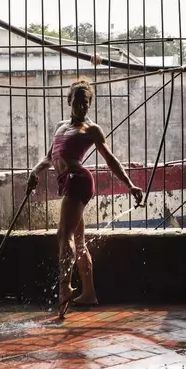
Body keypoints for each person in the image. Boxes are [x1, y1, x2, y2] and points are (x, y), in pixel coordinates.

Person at [27, 80, 144, 319]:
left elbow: (110, 159)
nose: (81, 106)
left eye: (86, 103)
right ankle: (89, 293)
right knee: (77, 240)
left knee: (63, 235)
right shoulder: (60, 126)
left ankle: (64, 288)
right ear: (69, 101)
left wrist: (130, 185)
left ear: (89, 105)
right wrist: (34, 172)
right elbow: (51, 157)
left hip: (78, 179)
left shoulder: (92, 130)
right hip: (67, 180)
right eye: (77, 102)